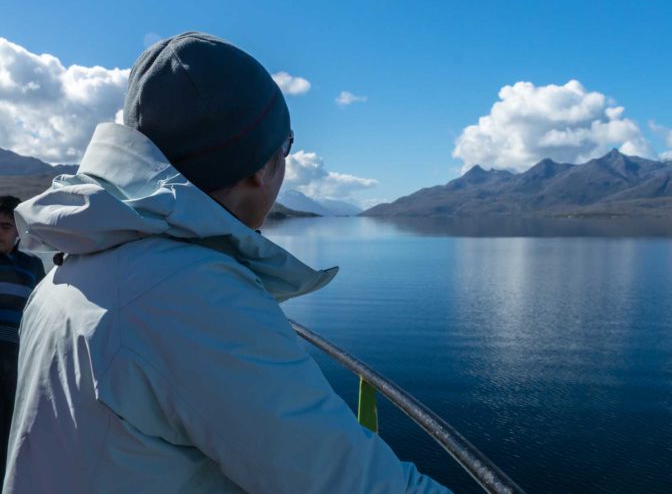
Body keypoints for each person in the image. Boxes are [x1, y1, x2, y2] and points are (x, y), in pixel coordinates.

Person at [3, 32, 451, 493]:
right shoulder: (191, 297)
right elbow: (353, 483)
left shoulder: (69, 268)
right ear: (259, 165)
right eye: (286, 146)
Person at [0, 195, 45, 479]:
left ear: (18, 230)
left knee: (10, 431)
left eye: (5, 226)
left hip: (15, 362)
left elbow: (41, 313)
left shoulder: (31, 267)